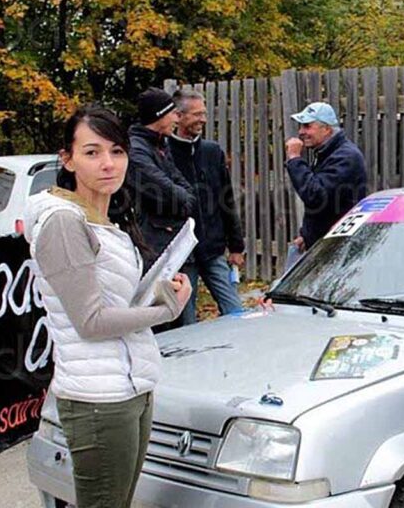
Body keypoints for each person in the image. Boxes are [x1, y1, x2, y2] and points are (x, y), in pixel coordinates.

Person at [23, 105, 192, 508]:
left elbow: (114, 303)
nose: (108, 164)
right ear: (67, 159)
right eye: (92, 152)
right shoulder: (64, 222)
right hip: (99, 398)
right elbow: (91, 321)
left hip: (130, 385)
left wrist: (157, 292)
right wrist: (166, 310)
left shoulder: (103, 219)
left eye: (117, 152)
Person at [169, 88, 245, 324]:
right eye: (196, 114)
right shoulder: (164, 154)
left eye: (204, 113)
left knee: (236, 311)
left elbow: (227, 199)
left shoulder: (212, 152)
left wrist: (236, 246)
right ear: (178, 116)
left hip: (213, 248)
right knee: (186, 321)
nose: (202, 119)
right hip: (183, 254)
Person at [284, 102, 367, 268]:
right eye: (301, 127)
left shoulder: (345, 157)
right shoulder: (325, 153)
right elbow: (323, 206)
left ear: (327, 129)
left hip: (337, 249)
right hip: (322, 244)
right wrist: (306, 235)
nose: (301, 132)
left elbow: (315, 195)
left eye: (307, 126)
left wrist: (294, 159)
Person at [125, 87, 197, 268]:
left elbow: (186, 191)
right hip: (152, 250)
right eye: (173, 113)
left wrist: (184, 199)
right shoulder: (137, 151)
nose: (176, 118)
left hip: (169, 245)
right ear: (159, 116)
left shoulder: (160, 145)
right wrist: (183, 201)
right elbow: (172, 194)